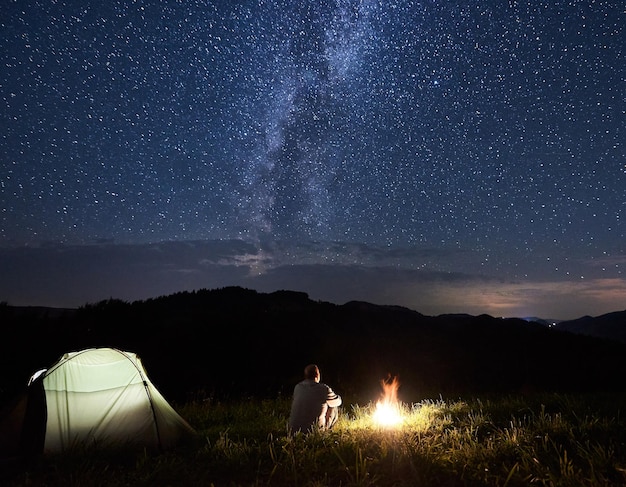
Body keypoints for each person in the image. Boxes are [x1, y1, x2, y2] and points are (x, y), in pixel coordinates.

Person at [288, 364, 342, 434]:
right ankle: (326, 431)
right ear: (317, 375)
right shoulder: (324, 389)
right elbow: (338, 402)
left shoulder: (297, 387)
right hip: (314, 431)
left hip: (293, 431)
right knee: (334, 406)